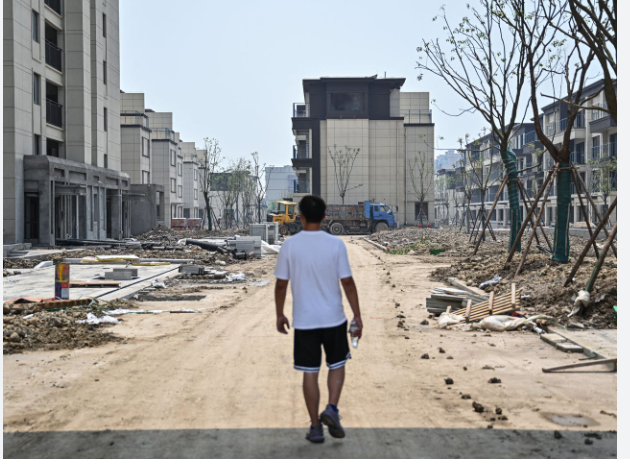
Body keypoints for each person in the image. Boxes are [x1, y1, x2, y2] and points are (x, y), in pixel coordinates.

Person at [274, 195, 363, 443]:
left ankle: (315, 427)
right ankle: (332, 408)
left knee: (309, 372)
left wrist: (279, 314)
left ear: (300, 217)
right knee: (337, 364)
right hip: (334, 318)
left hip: (304, 322)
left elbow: (281, 285)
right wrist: (357, 315)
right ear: (324, 217)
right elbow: (347, 282)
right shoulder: (335, 244)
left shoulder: (290, 246)